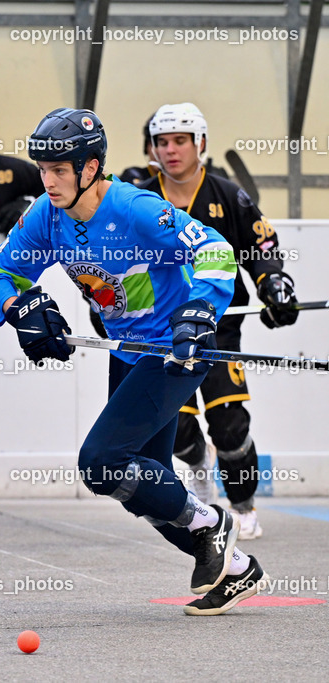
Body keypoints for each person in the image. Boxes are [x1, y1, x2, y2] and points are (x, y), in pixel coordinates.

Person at [0, 107, 269, 616]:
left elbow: (216, 251)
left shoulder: (134, 208)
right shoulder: (47, 215)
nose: (48, 181)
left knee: (99, 463)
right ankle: (239, 568)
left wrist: (201, 308)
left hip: (176, 352)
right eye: (42, 170)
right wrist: (18, 306)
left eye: (59, 170)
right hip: (129, 352)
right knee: (142, 484)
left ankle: (216, 524)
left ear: (91, 168)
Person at [139, 102, 298, 540]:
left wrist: (274, 284)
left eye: (181, 141)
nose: (171, 151)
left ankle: (243, 506)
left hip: (219, 327)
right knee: (176, 427)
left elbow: (262, 245)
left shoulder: (228, 194)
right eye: (162, 142)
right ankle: (196, 464)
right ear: (152, 147)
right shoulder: (138, 199)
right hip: (160, 329)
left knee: (229, 424)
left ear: (200, 144)